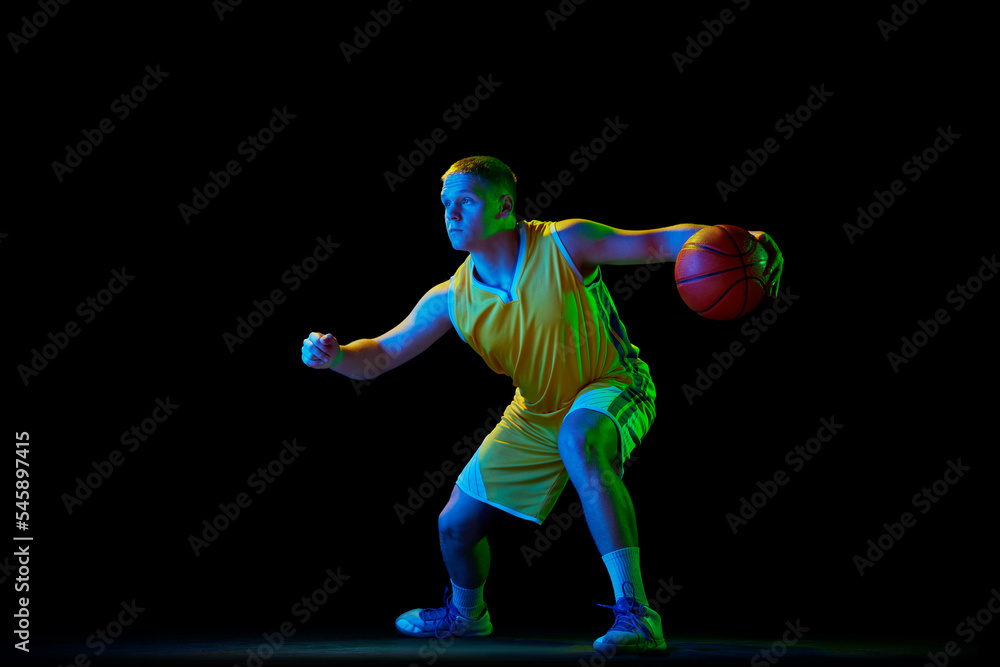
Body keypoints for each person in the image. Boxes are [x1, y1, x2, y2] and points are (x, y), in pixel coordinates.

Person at [301, 156, 783, 654]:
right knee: (454, 527)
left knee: (579, 440)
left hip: (612, 382)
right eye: (445, 204)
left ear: (505, 206)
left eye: (465, 201)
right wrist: (334, 356)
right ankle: (467, 615)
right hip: (535, 412)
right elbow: (378, 356)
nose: (451, 213)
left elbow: (658, 242)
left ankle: (636, 614)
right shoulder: (450, 299)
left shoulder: (564, 243)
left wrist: (741, 240)